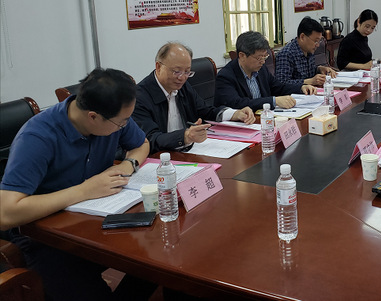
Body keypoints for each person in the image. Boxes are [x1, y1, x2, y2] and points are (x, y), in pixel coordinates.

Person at [0, 68, 157, 301]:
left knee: (156, 261)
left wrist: (128, 165)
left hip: (94, 219)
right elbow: (6, 213)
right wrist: (84, 191)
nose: (125, 126)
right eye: (121, 122)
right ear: (93, 116)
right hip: (46, 237)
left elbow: (141, 144)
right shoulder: (37, 137)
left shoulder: (111, 115)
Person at [133, 42, 255, 154]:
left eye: (187, 72)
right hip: (160, 158)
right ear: (158, 67)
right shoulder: (139, 97)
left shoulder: (183, 87)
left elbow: (206, 111)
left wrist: (235, 114)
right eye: (176, 71)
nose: (182, 78)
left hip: (188, 152)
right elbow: (150, 139)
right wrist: (185, 136)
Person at [215, 31, 317, 111]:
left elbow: (278, 87)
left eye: (265, 57)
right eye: (259, 58)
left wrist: (301, 88)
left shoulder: (261, 69)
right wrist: (274, 101)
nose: (263, 62)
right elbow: (237, 104)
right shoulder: (225, 76)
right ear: (242, 56)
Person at [275, 17, 337, 86]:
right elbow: (281, 84)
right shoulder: (286, 54)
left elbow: (308, 72)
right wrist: (310, 81)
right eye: (315, 41)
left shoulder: (309, 50)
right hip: (297, 92)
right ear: (302, 37)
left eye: (319, 41)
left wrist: (319, 69)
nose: (318, 45)